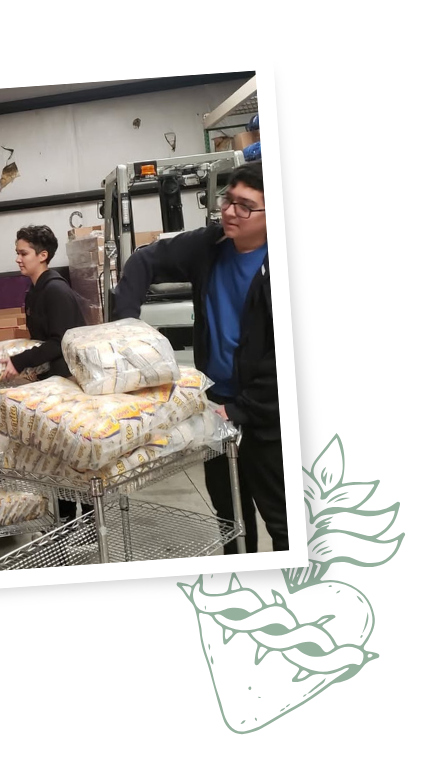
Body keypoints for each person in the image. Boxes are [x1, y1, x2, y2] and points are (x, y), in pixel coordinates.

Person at [111, 160, 287, 554]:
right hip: (213, 407)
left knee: (284, 521)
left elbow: (282, 363)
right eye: (228, 200)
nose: (229, 212)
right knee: (231, 520)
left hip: (268, 418)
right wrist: (125, 328)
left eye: (245, 206)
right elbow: (144, 259)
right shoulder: (209, 246)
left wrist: (241, 408)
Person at [1, 224, 88, 524]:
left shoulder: (56, 290)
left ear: (43, 255)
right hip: (51, 380)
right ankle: (65, 519)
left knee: (72, 455)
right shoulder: (34, 292)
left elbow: (59, 340)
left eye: (23, 253)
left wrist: (20, 362)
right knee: (56, 455)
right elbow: (40, 341)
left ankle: (87, 521)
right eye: (17, 253)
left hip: (69, 381)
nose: (18, 259)